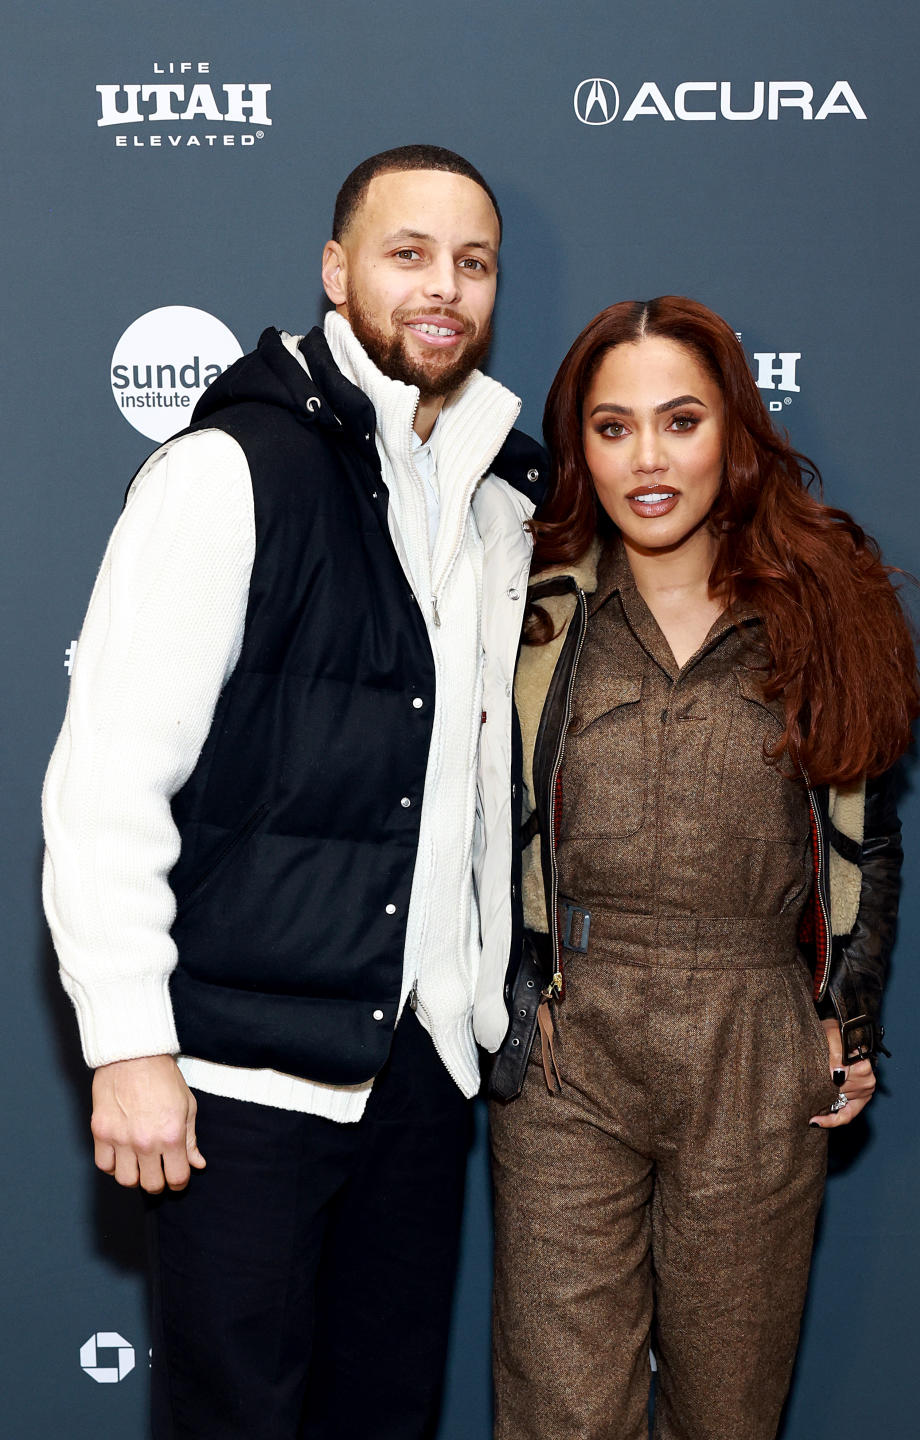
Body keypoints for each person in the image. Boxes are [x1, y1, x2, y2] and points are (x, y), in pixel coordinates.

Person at [42, 144, 546, 1439]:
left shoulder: (495, 499)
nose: (444, 286)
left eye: (473, 262)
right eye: (409, 252)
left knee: (378, 1419)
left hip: (419, 1072)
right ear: (336, 270)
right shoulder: (228, 473)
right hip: (241, 1087)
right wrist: (131, 1047)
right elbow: (108, 782)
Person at [487, 297, 920, 1440]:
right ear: (577, 444)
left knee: (728, 1412)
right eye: (612, 426)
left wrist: (848, 1015)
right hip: (571, 1038)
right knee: (560, 1414)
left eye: (679, 421)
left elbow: (866, 835)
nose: (648, 459)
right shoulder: (523, 605)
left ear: (733, 427)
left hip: (754, 1036)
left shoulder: (826, 605)